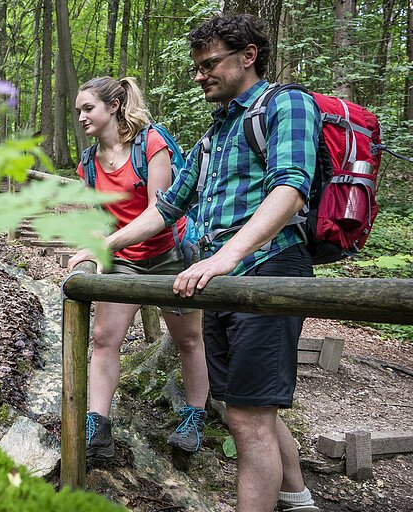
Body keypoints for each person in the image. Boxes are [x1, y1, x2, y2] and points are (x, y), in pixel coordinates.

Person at [70, 14, 321, 512]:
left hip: (266, 270)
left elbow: (291, 187)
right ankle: (299, 498)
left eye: (210, 64)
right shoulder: (215, 135)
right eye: (197, 67)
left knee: (248, 419)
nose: (200, 75)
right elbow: (166, 208)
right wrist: (104, 246)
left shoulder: (287, 104)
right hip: (216, 277)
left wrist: (227, 256)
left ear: (248, 56)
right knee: (250, 410)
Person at [67, 76, 209, 459]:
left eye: (88, 108)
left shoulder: (151, 143)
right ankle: (98, 426)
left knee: (189, 339)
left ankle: (195, 417)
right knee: (103, 338)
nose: (81, 117)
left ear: (113, 106)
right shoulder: (88, 164)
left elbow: (159, 212)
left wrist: (107, 244)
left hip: (170, 255)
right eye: (78, 110)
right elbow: (101, 217)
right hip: (125, 260)